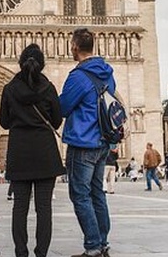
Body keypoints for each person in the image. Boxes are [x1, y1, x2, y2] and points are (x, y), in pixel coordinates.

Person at [0, 43, 65, 257]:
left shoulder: (9, 89)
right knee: (44, 208)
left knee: (19, 207)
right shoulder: (49, 88)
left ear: (20, 63)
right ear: (42, 65)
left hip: (19, 153)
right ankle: (41, 253)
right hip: (45, 153)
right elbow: (56, 121)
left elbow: (4, 122)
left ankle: (21, 252)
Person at [59, 27, 115, 257]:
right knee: (97, 193)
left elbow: (63, 107)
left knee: (80, 195)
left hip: (84, 142)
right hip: (103, 141)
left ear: (74, 47)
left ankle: (93, 246)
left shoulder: (79, 76)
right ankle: (102, 241)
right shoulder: (107, 72)